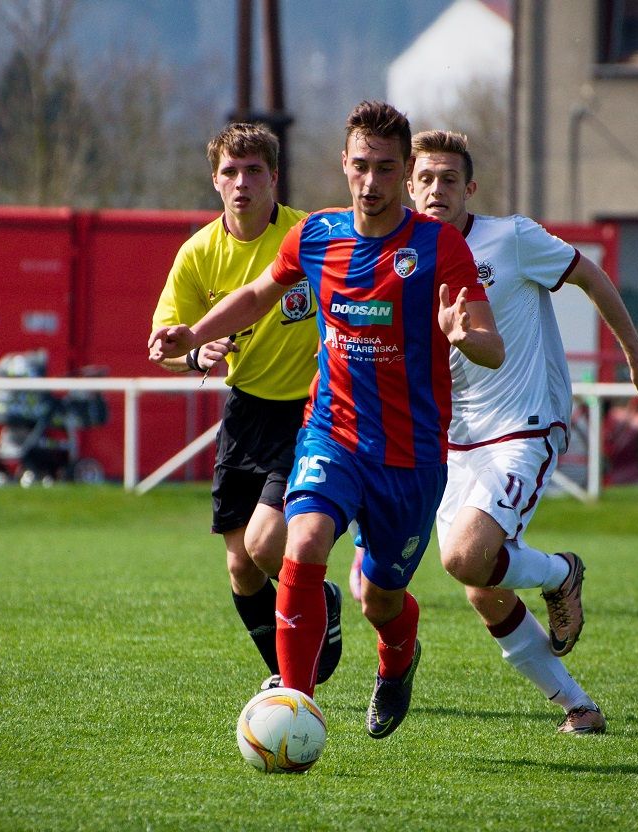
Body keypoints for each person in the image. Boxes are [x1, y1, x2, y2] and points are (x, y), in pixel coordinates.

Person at [150, 101, 504, 740]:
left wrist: (463, 335)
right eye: (361, 166)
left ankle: (398, 657)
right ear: (343, 164)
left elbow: (491, 345)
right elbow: (259, 294)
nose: (372, 183)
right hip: (330, 431)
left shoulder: (438, 247)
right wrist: (194, 335)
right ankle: (295, 705)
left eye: (387, 170)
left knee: (380, 598)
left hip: (410, 455)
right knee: (302, 540)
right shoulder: (316, 235)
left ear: (404, 175)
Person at [406, 129, 638, 734]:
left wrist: (637, 357)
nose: (436, 189)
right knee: (481, 586)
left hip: (525, 422)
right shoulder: (405, 258)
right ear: (409, 187)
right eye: (425, 179)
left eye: (449, 179)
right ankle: (580, 707)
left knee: (467, 557)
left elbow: (591, 276)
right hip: (452, 439)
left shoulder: (512, 238)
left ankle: (559, 574)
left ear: (470, 188)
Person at [149, 123, 343, 692]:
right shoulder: (197, 254)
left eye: (254, 170)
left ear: (274, 178)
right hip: (246, 412)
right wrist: (193, 353)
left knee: (264, 542)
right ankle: (287, 671)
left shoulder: (310, 235)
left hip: (310, 412)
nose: (242, 183)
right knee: (240, 566)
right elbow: (163, 346)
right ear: (215, 180)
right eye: (230, 172)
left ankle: (297, 666)